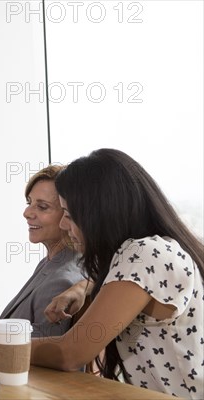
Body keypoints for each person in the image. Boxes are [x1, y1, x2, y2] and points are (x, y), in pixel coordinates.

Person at [34, 149, 203, 399]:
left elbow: (70, 353)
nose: (62, 225)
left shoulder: (144, 252)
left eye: (69, 215)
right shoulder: (158, 248)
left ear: (101, 215)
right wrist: (84, 286)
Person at [0, 165, 84, 354]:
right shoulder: (51, 263)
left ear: (68, 213)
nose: (27, 212)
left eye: (42, 207)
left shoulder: (63, 280)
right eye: (29, 202)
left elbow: (49, 352)